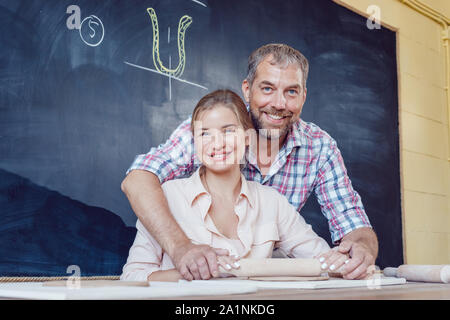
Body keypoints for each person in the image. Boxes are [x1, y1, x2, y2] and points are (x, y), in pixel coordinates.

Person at [121, 43, 378, 281]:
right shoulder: (210, 122)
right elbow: (138, 180)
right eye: (267, 88)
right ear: (247, 89)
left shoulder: (317, 150)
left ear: (303, 96)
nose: (278, 104)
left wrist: (361, 250)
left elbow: (349, 221)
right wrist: (181, 249)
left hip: (268, 280)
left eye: (291, 91)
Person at [121, 89, 341, 282]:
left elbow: (322, 261)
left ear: (247, 137)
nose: (217, 143)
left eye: (228, 130)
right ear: (195, 143)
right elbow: (132, 278)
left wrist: (348, 264)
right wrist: (195, 274)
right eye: (205, 133)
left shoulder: (271, 202)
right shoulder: (166, 197)